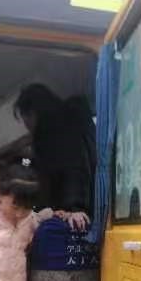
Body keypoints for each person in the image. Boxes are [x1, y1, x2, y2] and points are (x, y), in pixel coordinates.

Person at [14, 84, 96, 232]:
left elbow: (73, 168)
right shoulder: (73, 123)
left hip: (71, 213)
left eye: (26, 120)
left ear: (33, 113)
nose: (27, 127)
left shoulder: (54, 134)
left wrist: (74, 207)